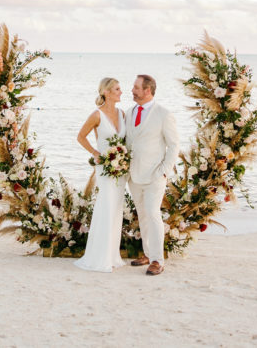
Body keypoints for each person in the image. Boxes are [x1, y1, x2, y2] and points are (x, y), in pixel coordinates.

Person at [125, 74, 179, 276]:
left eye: (136, 87)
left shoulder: (164, 114)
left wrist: (163, 170)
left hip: (155, 176)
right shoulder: (129, 112)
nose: (132, 90)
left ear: (147, 90)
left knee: (153, 213)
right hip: (134, 175)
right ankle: (147, 254)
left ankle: (158, 260)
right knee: (143, 215)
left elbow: (174, 145)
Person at [73, 77, 127, 272]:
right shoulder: (97, 115)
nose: (121, 92)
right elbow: (80, 136)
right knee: (106, 207)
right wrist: (96, 153)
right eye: (117, 89)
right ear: (106, 92)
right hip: (105, 168)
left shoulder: (122, 114)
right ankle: (99, 257)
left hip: (120, 170)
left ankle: (112, 256)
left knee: (116, 209)